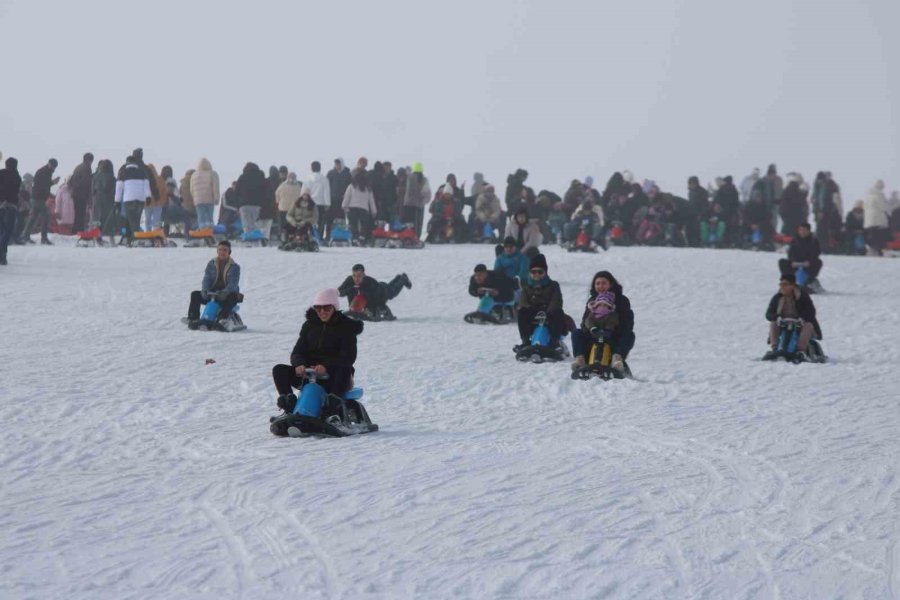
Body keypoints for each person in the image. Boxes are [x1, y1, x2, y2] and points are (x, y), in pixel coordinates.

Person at [271, 288, 363, 410]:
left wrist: (326, 366)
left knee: (343, 369)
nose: (322, 312)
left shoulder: (346, 327)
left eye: (326, 308)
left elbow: (348, 357)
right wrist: (299, 364)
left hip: (334, 375)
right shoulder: (309, 326)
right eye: (318, 308)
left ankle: (333, 405)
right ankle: (289, 402)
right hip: (309, 374)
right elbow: (298, 351)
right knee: (279, 370)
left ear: (334, 307)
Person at [571, 271, 635, 373]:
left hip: (613, 337)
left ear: (611, 284)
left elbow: (627, 322)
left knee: (629, 335)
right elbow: (585, 321)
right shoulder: (592, 301)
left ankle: (617, 359)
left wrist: (611, 330)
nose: (601, 286)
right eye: (598, 283)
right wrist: (592, 330)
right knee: (576, 333)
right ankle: (580, 360)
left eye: (604, 283)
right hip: (593, 335)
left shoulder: (621, 301)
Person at [764, 273, 821, 361]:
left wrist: (802, 318)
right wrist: (777, 317)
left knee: (808, 325)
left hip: (800, 323)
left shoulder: (802, 296)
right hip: (783, 323)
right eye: (781, 284)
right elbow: (769, 314)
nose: (782, 287)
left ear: (793, 285)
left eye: (785, 284)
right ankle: (775, 348)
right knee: (773, 323)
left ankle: (801, 350)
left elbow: (811, 312)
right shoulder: (777, 297)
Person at [185, 240, 241, 328]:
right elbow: (207, 279)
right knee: (195, 294)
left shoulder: (235, 267)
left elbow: (233, 284)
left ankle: (223, 318)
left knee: (232, 297)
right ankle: (193, 317)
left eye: (225, 250)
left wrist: (225, 292)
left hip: (226, 294)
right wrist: (205, 291)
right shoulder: (211, 264)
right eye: (220, 249)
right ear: (217, 251)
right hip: (212, 294)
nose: (222, 252)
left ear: (229, 252)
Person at [515, 253, 567, 349]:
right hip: (533, 313)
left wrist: (548, 311)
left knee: (558, 312)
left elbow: (556, 301)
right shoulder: (526, 287)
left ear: (545, 272)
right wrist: (530, 309)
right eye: (533, 272)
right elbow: (523, 302)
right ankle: (526, 341)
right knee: (522, 312)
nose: (536, 275)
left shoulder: (553, 285)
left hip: (550, 313)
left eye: (540, 272)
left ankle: (554, 342)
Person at [338, 263, 411, 321]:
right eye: (354, 275)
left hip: (382, 291)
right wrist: (351, 289)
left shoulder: (370, 282)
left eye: (359, 276)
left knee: (392, 293)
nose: (356, 278)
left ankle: (403, 279)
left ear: (364, 274)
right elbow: (339, 292)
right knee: (390, 287)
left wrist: (382, 311)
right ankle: (397, 278)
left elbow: (378, 302)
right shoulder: (350, 280)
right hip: (372, 296)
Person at [22, 158, 59, 244]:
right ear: (49, 164)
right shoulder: (44, 172)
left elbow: (43, 184)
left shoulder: (44, 171)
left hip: (37, 197)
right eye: (53, 166)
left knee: (33, 217)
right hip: (39, 198)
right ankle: (44, 238)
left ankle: (25, 236)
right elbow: (43, 185)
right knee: (45, 216)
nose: (54, 169)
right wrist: (53, 182)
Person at [115, 155, 152, 238]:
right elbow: (146, 186)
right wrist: (148, 197)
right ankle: (131, 236)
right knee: (137, 219)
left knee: (131, 220)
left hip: (128, 199)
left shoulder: (123, 172)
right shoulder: (142, 171)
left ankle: (135, 238)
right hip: (140, 199)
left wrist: (117, 201)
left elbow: (119, 188)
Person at [342, 168, 377, 242]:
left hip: (352, 208)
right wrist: (374, 211)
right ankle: (362, 237)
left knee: (353, 224)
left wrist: (344, 206)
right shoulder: (368, 188)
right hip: (364, 209)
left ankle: (355, 238)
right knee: (364, 225)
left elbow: (347, 197)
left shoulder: (351, 186)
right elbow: (371, 200)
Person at [0, 157, 23, 265]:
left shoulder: (1, 173)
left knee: (1, 230)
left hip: (1, 205)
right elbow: (14, 191)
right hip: (10, 206)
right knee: (7, 231)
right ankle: (2, 254)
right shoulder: (16, 176)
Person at [190, 158, 220, 230]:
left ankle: (202, 231)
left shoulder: (194, 175)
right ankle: (210, 230)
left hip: (198, 201)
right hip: (210, 199)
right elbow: (215, 187)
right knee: (209, 217)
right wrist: (216, 199)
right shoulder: (213, 173)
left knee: (201, 217)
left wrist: (195, 198)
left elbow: (192, 189)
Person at [301, 160, 331, 234]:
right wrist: (328, 204)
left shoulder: (307, 179)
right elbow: (326, 192)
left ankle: (311, 235)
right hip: (321, 203)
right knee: (321, 221)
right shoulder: (324, 179)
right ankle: (319, 236)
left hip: (310, 203)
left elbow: (303, 192)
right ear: (320, 168)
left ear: (311, 168)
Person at [402, 162, 431, 237]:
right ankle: (416, 237)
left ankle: (406, 236)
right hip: (418, 205)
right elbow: (427, 193)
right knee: (417, 224)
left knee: (407, 222)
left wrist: (408, 169)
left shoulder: (410, 177)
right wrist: (423, 202)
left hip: (407, 204)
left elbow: (407, 172)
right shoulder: (424, 180)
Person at [69, 152, 94, 233]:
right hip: (81, 194)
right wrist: (89, 197)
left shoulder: (78, 167)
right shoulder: (87, 168)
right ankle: (79, 231)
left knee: (77, 214)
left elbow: (71, 181)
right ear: (90, 160)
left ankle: (74, 231)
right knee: (81, 214)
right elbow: (87, 182)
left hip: (75, 194)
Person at [276, 171, 303, 238]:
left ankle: (284, 236)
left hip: (283, 208)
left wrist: (278, 202)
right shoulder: (299, 187)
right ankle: (292, 236)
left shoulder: (282, 185)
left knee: (283, 224)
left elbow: (277, 195)